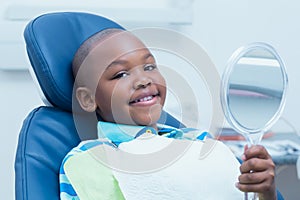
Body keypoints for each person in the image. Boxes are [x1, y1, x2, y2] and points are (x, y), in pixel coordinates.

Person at [59, 28, 280, 200]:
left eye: (149, 67)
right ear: (88, 99)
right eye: (121, 74)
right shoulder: (87, 160)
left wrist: (266, 192)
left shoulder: (199, 141)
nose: (144, 79)